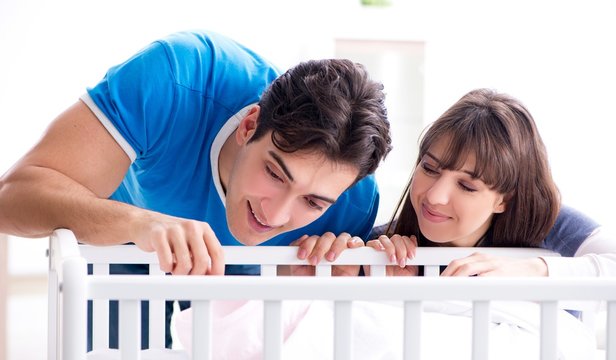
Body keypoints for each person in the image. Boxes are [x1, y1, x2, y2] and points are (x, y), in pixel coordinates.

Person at [0, 30, 392, 348]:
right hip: (122, 237)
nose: (275, 215)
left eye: (312, 201)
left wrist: (308, 293)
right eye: (275, 174)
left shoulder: (353, 201)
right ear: (249, 126)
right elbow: (12, 197)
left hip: (249, 271)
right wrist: (141, 224)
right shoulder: (177, 77)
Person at [362, 88, 615, 278]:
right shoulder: (382, 248)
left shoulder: (550, 226)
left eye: (467, 186)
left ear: (505, 199)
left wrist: (532, 269)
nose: (435, 196)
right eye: (429, 168)